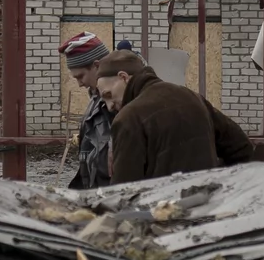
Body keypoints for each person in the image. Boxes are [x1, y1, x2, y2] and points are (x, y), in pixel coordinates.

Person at [95, 51, 253, 182]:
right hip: (206, 211)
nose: (109, 106)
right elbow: (241, 147)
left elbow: (122, 192)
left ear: (124, 77)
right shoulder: (192, 97)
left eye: (108, 95)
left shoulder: (128, 118)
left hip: (161, 216)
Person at [59, 30, 120, 189]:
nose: (79, 84)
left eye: (81, 76)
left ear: (97, 66)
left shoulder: (118, 101)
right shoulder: (95, 99)